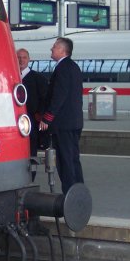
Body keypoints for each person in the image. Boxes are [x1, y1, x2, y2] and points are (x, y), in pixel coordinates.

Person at [39, 37, 84, 193]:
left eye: (54, 46)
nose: (52, 49)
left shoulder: (62, 68)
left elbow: (60, 95)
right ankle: (79, 193)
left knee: (65, 162)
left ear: (62, 50)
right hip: (74, 123)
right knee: (73, 160)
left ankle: (70, 194)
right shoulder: (73, 67)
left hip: (63, 124)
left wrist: (47, 117)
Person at [17, 48, 49, 156]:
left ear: (29, 59)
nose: (21, 60)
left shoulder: (39, 79)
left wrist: (39, 116)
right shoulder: (10, 78)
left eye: (24, 57)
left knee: (31, 149)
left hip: (32, 122)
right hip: (14, 121)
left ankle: (32, 172)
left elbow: (45, 99)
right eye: (18, 57)